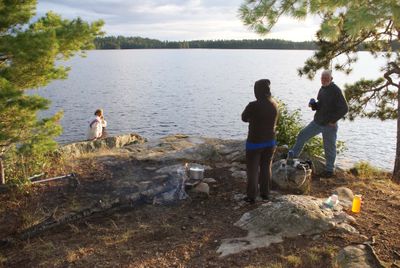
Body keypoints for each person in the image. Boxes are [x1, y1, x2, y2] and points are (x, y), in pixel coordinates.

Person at [289, 70, 348, 178]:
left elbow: (345, 108)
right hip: (317, 122)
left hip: (329, 125)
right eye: (322, 78)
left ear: (331, 79)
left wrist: (333, 120)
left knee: (329, 147)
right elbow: (320, 105)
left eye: (326, 78)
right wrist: (314, 105)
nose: (324, 80)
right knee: (302, 135)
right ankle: (292, 156)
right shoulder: (322, 89)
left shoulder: (336, 90)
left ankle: (329, 170)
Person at [242, 79, 279, 204]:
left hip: (254, 142)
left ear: (257, 91)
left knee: (252, 169)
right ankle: (265, 193)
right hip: (270, 141)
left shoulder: (253, 105)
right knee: (265, 167)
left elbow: (244, 118)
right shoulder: (274, 104)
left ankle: (251, 196)